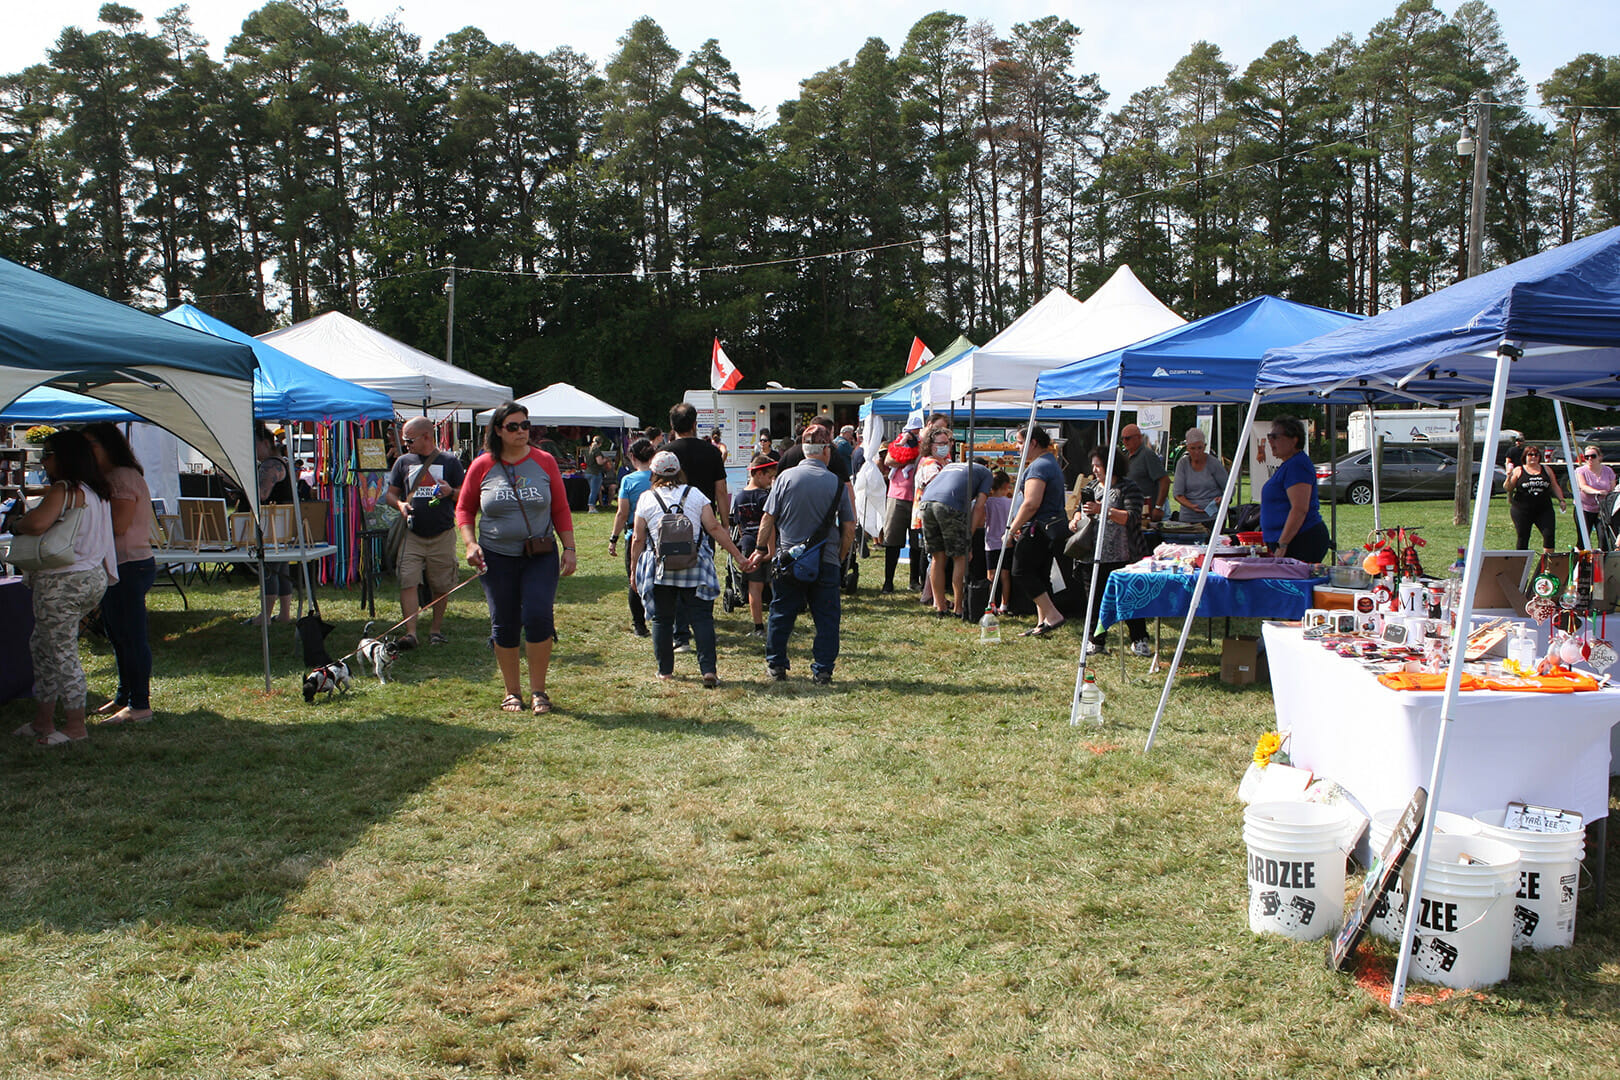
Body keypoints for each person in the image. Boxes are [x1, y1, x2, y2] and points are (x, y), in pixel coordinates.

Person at [456, 402, 577, 715]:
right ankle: (513, 692)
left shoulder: (545, 461)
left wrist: (570, 548)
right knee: (504, 622)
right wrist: (470, 544)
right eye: (514, 426)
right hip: (495, 556)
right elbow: (464, 509)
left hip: (539, 554)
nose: (522, 431)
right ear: (498, 430)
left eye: (526, 425)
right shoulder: (482, 465)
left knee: (538, 616)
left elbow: (561, 508)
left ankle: (539, 691)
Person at [10, 430, 117, 745]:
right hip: (91, 577)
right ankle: (43, 720)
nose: (44, 461)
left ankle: (74, 726)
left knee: (59, 651)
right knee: (43, 646)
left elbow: (36, 524)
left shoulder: (65, 490)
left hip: (62, 582)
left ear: (65, 457)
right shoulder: (97, 491)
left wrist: (16, 524)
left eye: (47, 454)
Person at [631, 451, 755, 687]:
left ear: (654, 473)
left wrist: (633, 570)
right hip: (695, 564)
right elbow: (715, 529)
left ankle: (665, 671)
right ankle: (708, 671)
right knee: (701, 619)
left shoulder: (646, 498)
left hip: (661, 567)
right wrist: (738, 556)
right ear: (679, 471)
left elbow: (638, 539)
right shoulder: (695, 494)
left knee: (662, 620)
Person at [758, 425, 855, 684]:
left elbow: (768, 519)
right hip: (826, 559)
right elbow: (849, 526)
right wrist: (841, 556)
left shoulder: (785, 479)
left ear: (803, 449)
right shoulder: (837, 483)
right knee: (826, 618)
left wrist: (760, 549)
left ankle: (776, 664)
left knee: (781, 613)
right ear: (826, 450)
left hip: (789, 559)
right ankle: (823, 669)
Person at [83, 423, 156, 725]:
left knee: (130, 636)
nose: (87, 452)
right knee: (118, 635)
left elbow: (119, 525)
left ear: (108, 446)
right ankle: (124, 696)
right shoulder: (114, 477)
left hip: (129, 563)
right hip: (122, 565)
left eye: (91, 445)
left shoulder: (122, 477)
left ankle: (139, 704)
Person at [386, 416, 465, 648]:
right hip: (412, 534)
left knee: (441, 584)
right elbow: (390, 494)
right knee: (408, 581)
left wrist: (451, 491)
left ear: (427, 437)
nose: (406, 445)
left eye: (409, 440)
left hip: (442, 533)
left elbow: (465, 495)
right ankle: (411, 633)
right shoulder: (402, 461)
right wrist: (400, 505)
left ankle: (435, 630)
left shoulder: (450, 461)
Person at [1073, 448, 1150, 656]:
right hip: (1093, 555)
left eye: (1098, 465)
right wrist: (1076, 518)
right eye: (1093, 465)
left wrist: (1103, 509)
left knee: (1130, 598)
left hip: (1124, 555)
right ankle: (1095, 641)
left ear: (1111, 465)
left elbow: (1132, 517)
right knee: (1095, 601)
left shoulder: (1128, 488)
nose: (1094, 469)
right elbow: (1081, 508)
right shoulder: (1091, 487)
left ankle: (1139, 638)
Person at [1002, 424, 1069, 636]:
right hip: (1049, 528)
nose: (1017, 447)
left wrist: (1012, 530)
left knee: (1021, 571)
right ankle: (1043, 622)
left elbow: (1031, 503)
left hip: (1038, 528)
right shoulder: (1050, 462)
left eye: (1020, 443)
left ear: (1033, 443)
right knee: (1040, 574)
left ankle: (1053, 615)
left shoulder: (1039, 467)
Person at [917, 448, 993, 618]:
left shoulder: (952, 466)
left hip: (926, 503)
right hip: (949, 505)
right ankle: (959, 608)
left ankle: (941, 607)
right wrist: (969, 536)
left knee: (938, 557)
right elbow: (979, 506)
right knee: (960, 557)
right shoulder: (986, 473)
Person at [1260, 415, 1331, 563]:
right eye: (1269, 436)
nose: (1270, 441)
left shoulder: (1297, 465)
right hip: (1290, 541)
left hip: (1301, 541)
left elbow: (1299, 509)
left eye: (1275, 436)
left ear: (1294, 439)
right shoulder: (1289, 465)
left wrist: (1283, 543)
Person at [609, 438, 657, 637]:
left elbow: (622, 512)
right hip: (658, 535)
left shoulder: (628, 480)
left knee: (635, 579)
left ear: (632, 457)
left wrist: (613, 538)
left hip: (634, 533)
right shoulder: (659, 477)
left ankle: (639, 625)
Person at [250, 424, 296, 625]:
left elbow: (261, 494)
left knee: (269, 568)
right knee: (281, 568)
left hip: (273, 524)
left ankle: (265, 616)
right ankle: (284, 614)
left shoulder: (270, 465)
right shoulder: (281, 461)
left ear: (266, 444)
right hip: (282, 524)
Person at [731, 454, 778, 638]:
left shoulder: (739, 497)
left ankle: (758, 626)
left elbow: (740, 526)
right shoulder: (764, 496)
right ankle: (776, 623)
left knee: (754, 587)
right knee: (774, 584)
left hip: (749, 544)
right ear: (758, 474)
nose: (770, 481)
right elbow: (770, 525)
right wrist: (771, 551)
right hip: (765, 544)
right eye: (769, 476)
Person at [665, 403, 729, 530]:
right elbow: (721, 491)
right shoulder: (712, 452)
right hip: (705, 520)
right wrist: (725, 524)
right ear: (694, 424)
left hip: (672, 520)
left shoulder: (664, 453)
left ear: (672, 426)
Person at [877, 419, 922, 592]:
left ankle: (914, 580)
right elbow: (889, 460)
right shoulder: (898, 442)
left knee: (917, 543)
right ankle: (888, 581)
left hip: (917, 498)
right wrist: (905, 457)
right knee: (892, 540)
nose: (916, 433)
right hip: (898, 496)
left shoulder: (925, 445)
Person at [1505, 443, 1566, 551]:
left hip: (1544, 509)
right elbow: (1508, 488)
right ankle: (1521, 565)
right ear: (1525, 457)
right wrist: (1509, 476)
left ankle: (1547, 564)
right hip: (1522, 510)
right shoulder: (1519, 470)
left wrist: (1561, 500)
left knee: (1549, 535)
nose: (1533, 457)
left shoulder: (1546, 469)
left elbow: (1554, 485)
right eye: (1530, 455)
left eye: (1536, 455)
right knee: (1523, 537)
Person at [1171, 427, 1229, 526]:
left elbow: (1230, 488)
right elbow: (1177, 494)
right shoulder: (1182, 464)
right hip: (1188, 517)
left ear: (1205, 446)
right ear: (1187, 447)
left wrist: (1222, 499)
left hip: (1213, 517)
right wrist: (1191, 506)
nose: (1196, 452)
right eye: (1192, 448)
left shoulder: (1214, 463)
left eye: (1200, 448)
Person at [1122, 423, 1168, 524]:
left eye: (1128, 438)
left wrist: (1158, 507)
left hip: (1145, 514)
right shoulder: (1125, 456)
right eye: (1123, 438)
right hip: (1129, 511)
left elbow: (1164, 481)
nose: (1125, 441)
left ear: (1139, 437)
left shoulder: (1147, 455)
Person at [983, 470, 1014, 614]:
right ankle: (1005, 604)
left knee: (991, 575)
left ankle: (992, 602)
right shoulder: (1010, 503)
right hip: (1006, 542)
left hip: (990, 542)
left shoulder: (986, 502)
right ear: (1006, 485)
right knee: (1005, 575)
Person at [1575, 445, 1616, 550]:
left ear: (1599, 457)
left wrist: (1608, 494)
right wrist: (1597, 492)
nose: (1589, 459)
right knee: (1583, 540)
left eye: (1592, 456)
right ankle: (1579, 562)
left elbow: (1612, 488)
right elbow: (1583, 487)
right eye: (1586, 457)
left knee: (1604, 539)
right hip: (1584, 508)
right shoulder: (1580, 471)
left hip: (1602, 510)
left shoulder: (1608, 471)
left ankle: (1602, 563)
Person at [584, 431, 617, 511]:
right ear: (600, 443)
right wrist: (606, 459)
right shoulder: (596, 450)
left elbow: (585, 461)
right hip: (595, 473)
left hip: (588, 472)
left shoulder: (587, 450)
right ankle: (591, 507)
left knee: (592, 490)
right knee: (594, 491)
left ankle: (591, 506)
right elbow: (599, 462)